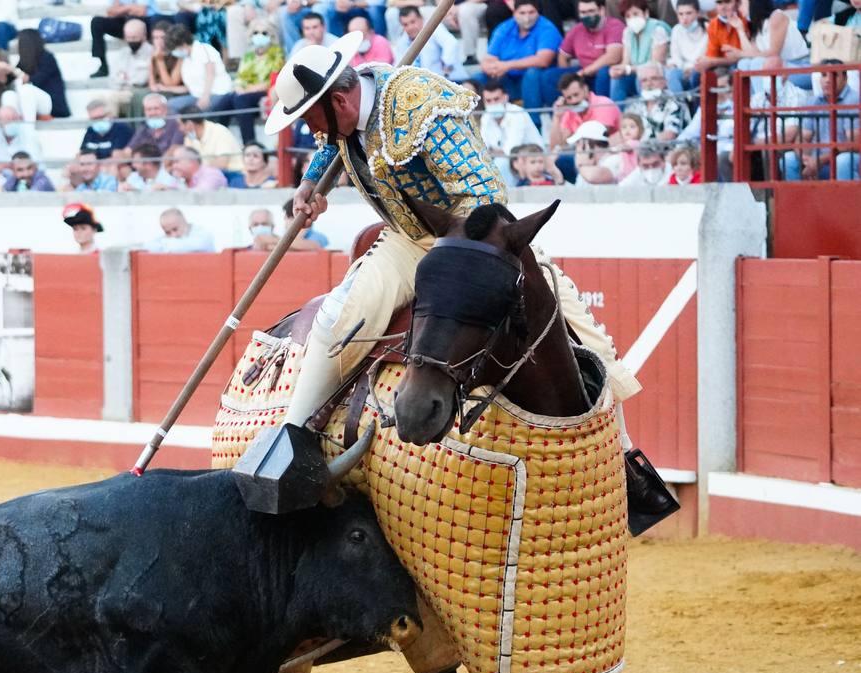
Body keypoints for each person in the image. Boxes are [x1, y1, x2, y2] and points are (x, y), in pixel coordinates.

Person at [267, 35, 641, 472]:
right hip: (408, 238)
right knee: (338, 319)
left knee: (576, 326)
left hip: (473, 239)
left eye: (311, 118)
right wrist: (312, 183)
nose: (312, 130)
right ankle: (290, 444)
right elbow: (332, 145)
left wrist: (457, 255)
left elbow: (485, 190)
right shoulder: (344, 111)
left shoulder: (422, 105)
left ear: (339, 101)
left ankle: (623, 459)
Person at [480, 0, 563, 115]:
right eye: (522, 13)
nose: (527, 17)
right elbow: (488, 58)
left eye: (531, 12)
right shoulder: (505, 27)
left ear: (538, 12)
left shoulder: (547, 28)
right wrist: (491, 68)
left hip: (535, 80)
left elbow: (543, 60)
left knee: (532, 73)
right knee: (478, 78)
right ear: (514, 13)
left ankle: (534, 121)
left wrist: (507, 65)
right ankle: (477, 124)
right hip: (508, 78)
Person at [208, 19, 284, 144]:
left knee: (240, 100)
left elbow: (275, 79)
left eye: (264, 33)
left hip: (266, 91)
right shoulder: (248, 55)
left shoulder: (277, 54)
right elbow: (240, 77)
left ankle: (249, 143)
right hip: (246, 92)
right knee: (226, 100)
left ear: (271, 35)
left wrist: (248, 89)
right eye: (256, 32)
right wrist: (239, 87)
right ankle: (218, 140)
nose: (259, 36)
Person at [783, 64, 859, 181]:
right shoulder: (814, 101)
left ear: (845, 79)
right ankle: (798, 199)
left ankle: (848, 199)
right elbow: (803, 138)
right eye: (824, 75)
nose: (828, 80)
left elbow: (853, 143)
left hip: (845, 157)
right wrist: (806, 160)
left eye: (834, 75)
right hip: (819, 160)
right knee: (788, 159)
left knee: (843, 161)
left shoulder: (854, 100)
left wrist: (821, 160)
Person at [478, 78, 545, 179]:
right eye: (488, 101)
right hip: (510, 161)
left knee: (501, 164)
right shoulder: (486, 117)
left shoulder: (517, 114)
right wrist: (493, 152)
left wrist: (494, 152)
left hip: (533, 160)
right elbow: (482, 149)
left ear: (505, 98)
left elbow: (511, 151)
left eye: (496, 99)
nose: (492, 104)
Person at [556, 0, 624, 99]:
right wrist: (569, 79)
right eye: (583, 12)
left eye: (591, 11)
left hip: (605, 73)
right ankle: (564, 107)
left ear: (601, 10)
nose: (587, 15)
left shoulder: (614, 26)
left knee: (603, 72)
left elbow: (613, 57)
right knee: (549, 76)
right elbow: (563, 55)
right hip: (583, 74)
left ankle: (602, 108)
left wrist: (585, 72)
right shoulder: (577, 30)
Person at [607, 0, 671, 103]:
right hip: (635, 72)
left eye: (636, 14)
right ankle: (618, 112)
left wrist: (628, 69)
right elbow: (625, 62)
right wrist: (617, 70)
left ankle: (644, 112)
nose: (632, 18)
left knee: (642, 78)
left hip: (656, 75)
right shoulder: (627, 32)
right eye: (628, 16)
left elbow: (655, 64)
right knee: (616, 78)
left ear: (646, 13)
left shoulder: (658, 29)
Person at [164, 24, 231, 114]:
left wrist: (205, 96)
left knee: (198, 111)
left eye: (175, 48)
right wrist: (166, 88)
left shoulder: (204, 49)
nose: (174, 52)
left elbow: (210, 74)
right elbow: (189, 88)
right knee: (171, 105)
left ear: (183, 44)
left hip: (218, 94)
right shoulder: (186, 59)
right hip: (196, 96)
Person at [549, 71, 620, 150]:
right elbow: (555, 147)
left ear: (585, 89)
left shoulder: (603, 104)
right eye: (569, 98)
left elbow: (597, 142)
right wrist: (557, 117)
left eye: (576, 94)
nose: (574, 101)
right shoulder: (569, 112)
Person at [391, 5, 464, 79]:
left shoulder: (434, 28)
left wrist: (446, 64)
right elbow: (398, 67)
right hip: (422, 85)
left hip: (450, 80)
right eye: (405, 24)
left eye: (413, 22)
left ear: (421, 19)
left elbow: (451, 43)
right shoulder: (402, 41)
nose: (410, 27)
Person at [14, 29, 69, 119]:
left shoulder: (47, 58)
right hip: (34, 103)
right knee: (9, 94)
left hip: (53, 105)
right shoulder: (25, 61)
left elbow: (36, 80)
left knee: (26, 89)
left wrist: (18, 74)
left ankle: (28, 127)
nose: (17, 45)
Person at [626, 64, 687, 141]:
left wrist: (642, 145)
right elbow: (623, 132)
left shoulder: (675, 103)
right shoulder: (634, 106)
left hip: (667, 150)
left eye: (654, 79)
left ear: (665, 81)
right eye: (644, 80)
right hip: (636, 148)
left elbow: (670, 135)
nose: (649, 84)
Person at [107, 17, 154, 116]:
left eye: (134, 38)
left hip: (139, 91)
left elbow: (142, 80)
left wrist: (126, 78)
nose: (131, 41)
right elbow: (114, 78)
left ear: (144, 36)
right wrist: (125, 79)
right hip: (121, 91)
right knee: (100, 100)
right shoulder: (122, 53)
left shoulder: (152, 53)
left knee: (110, 99)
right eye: (128, 38)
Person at [179, 102, 244, 171]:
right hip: (207, 177)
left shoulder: (219, 131)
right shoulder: (189, 138)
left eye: (180, 125)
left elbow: (221, 164)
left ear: (190, 124)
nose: (180, 129)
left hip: (233, 174)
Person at [249, 199, 331, 250]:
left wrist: (271, 240)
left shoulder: (318, 237)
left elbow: (314, 246)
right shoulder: (285, 237)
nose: (284, 220)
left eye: (286, 216)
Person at [667, 0, 706, 95]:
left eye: (689, 13)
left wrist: (692, 68)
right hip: (683, 70)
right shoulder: (676, 30)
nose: (684, 18)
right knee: (673, 74)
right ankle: (679, 104)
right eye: (680, 14)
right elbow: (676, 57)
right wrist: (684, 69)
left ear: (697, 13)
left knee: (695, 75)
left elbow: (706, 55)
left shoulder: (708, 28)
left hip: (700, 68)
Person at [698, 0, 743, 71]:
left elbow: (742, 56)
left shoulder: (745, 21)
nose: (723, 7)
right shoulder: (713, 24)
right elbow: (712, 55)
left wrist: (712, 61)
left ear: (738, 3)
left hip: (742, 64)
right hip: (722, 65)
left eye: (727, 2)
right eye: (719, 2)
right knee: (697, 72)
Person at [143, 207, 215, 252]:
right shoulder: (167, 238)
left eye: (175, 229)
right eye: (167, 232)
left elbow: (199, 245)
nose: (173, 235)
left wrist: (167, 245)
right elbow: (148, 247)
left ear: (184, 222)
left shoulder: (203, 234)